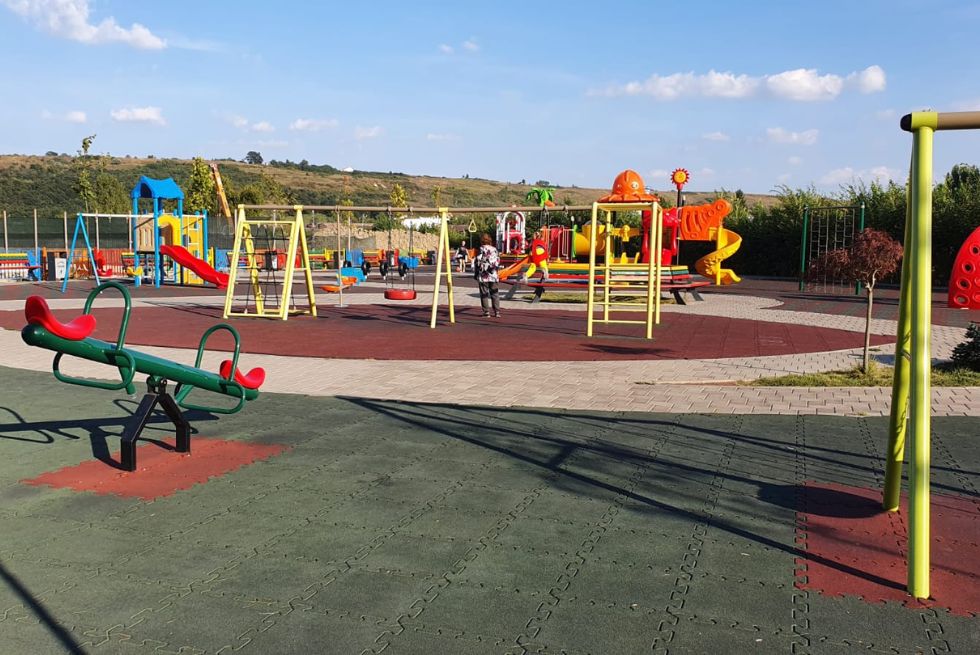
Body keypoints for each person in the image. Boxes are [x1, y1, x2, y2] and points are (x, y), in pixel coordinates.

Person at [474, 233, 501, 318]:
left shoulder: (481, 249)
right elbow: (498, 261)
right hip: (493, 274)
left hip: (483, 275)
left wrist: (476, 274)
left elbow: (477, 262)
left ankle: (486, 312)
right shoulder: (495, 249)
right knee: (495, 293)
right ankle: (497, 311)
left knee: (484, 293)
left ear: (482, 241)